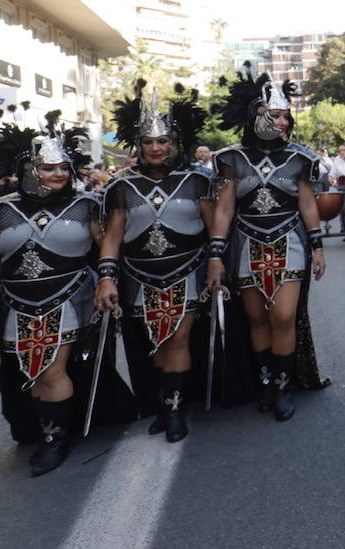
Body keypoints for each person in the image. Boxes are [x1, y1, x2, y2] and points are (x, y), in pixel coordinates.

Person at [0, 114, 136, 475]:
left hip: (71, 298)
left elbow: (106, 245)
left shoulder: (86, 205)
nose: (57, 174)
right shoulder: (3, 210)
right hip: (17, 304)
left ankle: (55, 441)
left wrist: (107, 281)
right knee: (34, 371)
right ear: (29, 169)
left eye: (62, 167)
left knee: (53, 368)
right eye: (47, 168)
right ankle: (47, 431)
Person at [208, 65, 329, 420]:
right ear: (256, 115)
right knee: (256, 318)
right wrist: (216, 254)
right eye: (274, 115)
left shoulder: (301, 158)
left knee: (283, 314)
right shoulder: (231, 159)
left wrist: (318, 246)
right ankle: (265, 383)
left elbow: (307, 203)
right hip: (246, 244)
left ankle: (283, 384)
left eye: (286, 117)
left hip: (289, 242)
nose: (282, 123)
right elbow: (225, 208)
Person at [97, 82, 213, 442]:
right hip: (140, 276)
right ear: (139, 146)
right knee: (158, 342)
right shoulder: (122, 186)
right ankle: (165, 402)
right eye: (148, 142)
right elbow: (113, 236)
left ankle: (176, 409)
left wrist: (217, 262)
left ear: (175, 142)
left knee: (177, 338)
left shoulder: (197, 179)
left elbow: (213, 227)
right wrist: (106, 278)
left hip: (187, 270)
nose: (156, 148)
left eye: (162, 141)